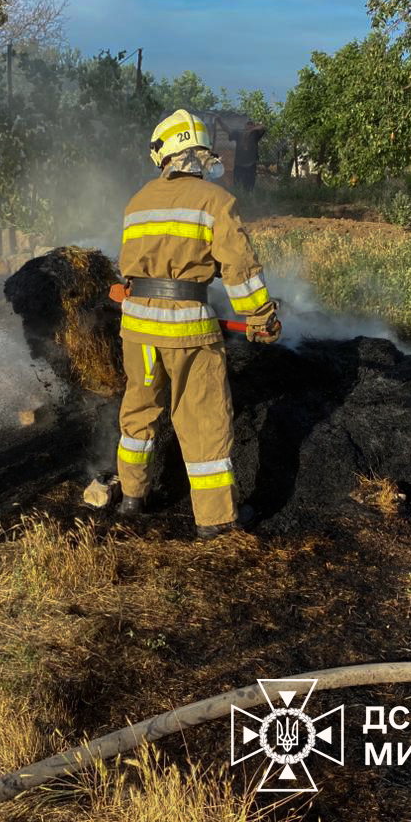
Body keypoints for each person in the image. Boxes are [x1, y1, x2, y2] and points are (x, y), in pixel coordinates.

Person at [111, 109, 280, 539]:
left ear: (164, 155)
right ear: (201, 154)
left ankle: (132, 496)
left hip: (137, 329)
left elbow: (130, 265)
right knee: (203, 418)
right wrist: (261, 317)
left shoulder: (137, 201)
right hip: (187, 329)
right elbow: (239, 267)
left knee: (138, 411)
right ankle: (214, 518)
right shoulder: (214, 201)